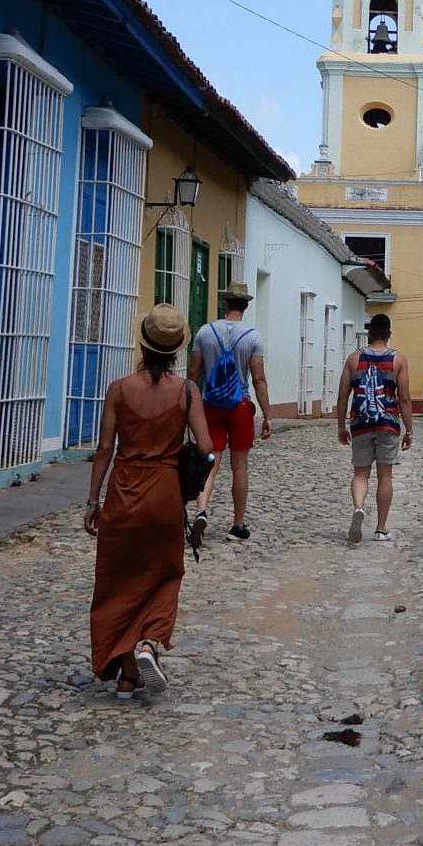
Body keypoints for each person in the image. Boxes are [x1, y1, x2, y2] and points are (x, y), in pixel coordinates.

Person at [85, 303, 212, 698]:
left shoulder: (119, 389)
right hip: (164, 493)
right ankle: (147, 644)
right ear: (176, 350)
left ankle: (126, 676)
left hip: (124, 490)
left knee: (119, 582)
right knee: (166, 573)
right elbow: (206, 448)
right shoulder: (187, 392)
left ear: (142, 343)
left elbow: (105, 449)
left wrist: (93, 501)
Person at [189, 283, 270, 542]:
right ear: (245, 306)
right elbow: (258, 379)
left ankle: (201, 510)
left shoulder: (205, 332)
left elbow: (193, 374)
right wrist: (267, 415)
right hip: (240, 405)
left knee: (210, 462)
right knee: (240, 467)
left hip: (210, 404)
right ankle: (237, 525)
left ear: (225, 304)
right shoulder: (253, 337)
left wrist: (189, 408)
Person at [336, 313, 411, 545]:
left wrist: (341, 426)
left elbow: (342, 396)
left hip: (360, 423)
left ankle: (359, 507)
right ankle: (380, 529)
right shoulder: (398, 360)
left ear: (369, 333)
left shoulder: (353, 359)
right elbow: (405, 399)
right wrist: (409, 430)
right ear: (389, 334)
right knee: (385, 476)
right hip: (388, 423)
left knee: (360, 474)